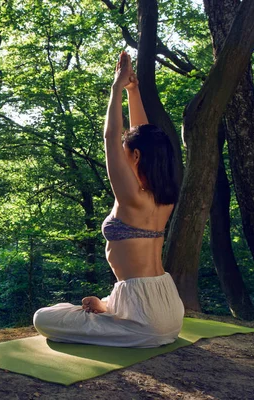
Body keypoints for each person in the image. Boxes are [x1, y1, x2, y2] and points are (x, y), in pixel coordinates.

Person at [33, 51, 184, 348]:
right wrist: (133, 89)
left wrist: (116, 87)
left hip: (145, 318)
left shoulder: (132, 198)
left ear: (137, 157)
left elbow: (112, 136)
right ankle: (109, 307)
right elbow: (140, 136)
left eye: (129, 153)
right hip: (167, 308)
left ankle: (110, 312)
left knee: (43, 317)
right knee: (84, 307)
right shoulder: (163, 198)